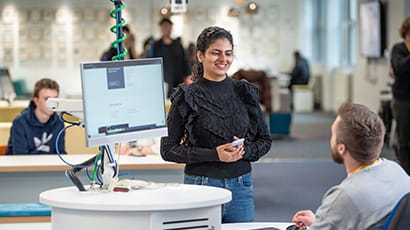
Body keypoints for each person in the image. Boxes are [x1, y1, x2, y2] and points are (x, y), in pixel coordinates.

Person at [160, 26, 272, 223]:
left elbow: (265, 140)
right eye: (215, 53)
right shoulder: (186, 96)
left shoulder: (245, 91)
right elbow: (168, 149)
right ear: (200, 56)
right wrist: (214, 154)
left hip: (241, 186)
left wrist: (244, 151)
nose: (223, 59)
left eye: (228, 53)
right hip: (200, 185)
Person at [291, 103, 410, 229]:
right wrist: (324, 220)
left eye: (333, 135)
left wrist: (327, 218)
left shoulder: (344, 196)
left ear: (341, 148)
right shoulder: (396, 171)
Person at [6, 78, 66, 155]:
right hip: (25, 165)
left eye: (55, 99)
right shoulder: (20, 123)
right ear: (36, 100)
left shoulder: (59, 122)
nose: (52, 104)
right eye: (47, 99)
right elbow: (20, 158)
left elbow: (61, 154)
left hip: (48, 166)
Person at [390, 17, 410, 175]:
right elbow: (399, 68)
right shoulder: (398, 49)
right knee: (404, 138)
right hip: (403, 99)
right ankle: (406, 172)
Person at [153, 18, 192, 98]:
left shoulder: (177, 44)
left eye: (168, 26)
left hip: (178, 78)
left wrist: (188, 74)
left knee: (178, 99)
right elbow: (153, 61)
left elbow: (185, 59)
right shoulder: (156, 45)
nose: (166, 29)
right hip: (163, 79)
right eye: (164, 27)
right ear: (160, 28)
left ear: (171, 27)